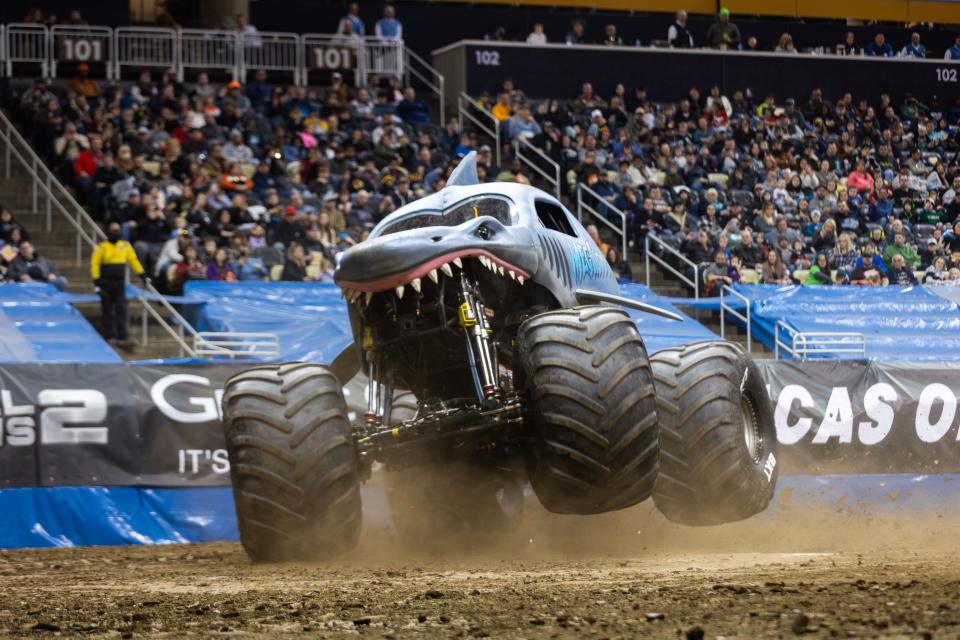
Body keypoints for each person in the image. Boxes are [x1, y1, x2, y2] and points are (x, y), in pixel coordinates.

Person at [91, 222, 147, 345]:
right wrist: (96, 280)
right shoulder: (101, 246)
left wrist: (141, 274)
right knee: (107, 309)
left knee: (121, 309)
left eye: (117, 230)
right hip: (105, 282)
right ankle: (109, 335)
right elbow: (95, 264)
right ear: (108, 232)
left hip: (119, 283)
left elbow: (133, 260)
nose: (115, 232)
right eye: (112, 230)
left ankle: (123, 336)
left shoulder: (125, 246)